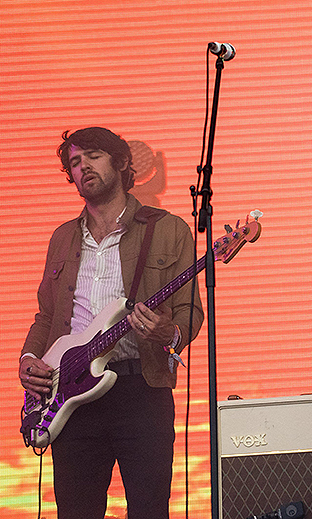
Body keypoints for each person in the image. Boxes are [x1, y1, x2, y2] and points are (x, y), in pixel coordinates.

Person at [19, 127, 204, 519]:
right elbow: (46, 316)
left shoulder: (168, 229)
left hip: (141, 387)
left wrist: (167, 333)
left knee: (149, 509)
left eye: (93, 155)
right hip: (69, 392)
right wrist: (29, 359)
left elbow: (189, 311)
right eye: (74, 161)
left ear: (120, 162)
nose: (82, 165)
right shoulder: (62, 238)